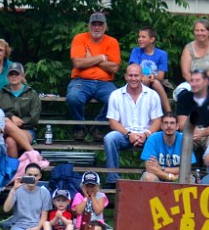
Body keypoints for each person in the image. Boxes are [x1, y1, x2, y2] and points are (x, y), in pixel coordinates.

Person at [104, 63, 163, 184]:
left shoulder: (152, 95)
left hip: (147, 135)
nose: (133, 78)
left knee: (158, 138)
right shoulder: (116, 95)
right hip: (124, 134)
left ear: (142, 76)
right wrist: (129, 134)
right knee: (109, 138)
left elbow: (157, 120)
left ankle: (158, 176)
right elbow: (113, 122)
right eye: (130, 75)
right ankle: (112, 180)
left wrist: (146, 134)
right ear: (125, 76)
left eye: (136, 75)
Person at [66, 11, 120, 139]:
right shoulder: (79, 38)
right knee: (73, 97)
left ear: (105, 26)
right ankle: (80, 127)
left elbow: (115, 67)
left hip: (105, 83)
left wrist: (91, 59)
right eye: (94, 24)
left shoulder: (112, 42)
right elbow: (78, 63)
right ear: (89, 26)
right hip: (81, 81)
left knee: (117, 99)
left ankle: (98, 126)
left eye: (100, 24)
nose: (97, 27)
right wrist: (102, 58)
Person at [2, 162, 50, 230]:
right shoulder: (18, 190)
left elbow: (44, 217)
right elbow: (6, 209)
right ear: (24, 175)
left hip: (37, 228)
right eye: (30, 175)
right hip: (19, 228)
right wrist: (13, 190)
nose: (33, 178)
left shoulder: (44, 193)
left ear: (40, 176)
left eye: (35, 175)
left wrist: (36, 229)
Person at [0, 63, 40, 158]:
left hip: (27, 130)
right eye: (11, 74)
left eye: (17, 73)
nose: (14, 76)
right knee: (7, 123)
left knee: (10, 141)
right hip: (5, 130)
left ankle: (13, 171)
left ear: (22, 76)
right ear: (7, 76)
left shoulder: (32, 94)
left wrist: (20, 123)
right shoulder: (0, 94)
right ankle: (33, 154)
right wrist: (11, 118)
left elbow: (34, 118)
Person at [175, 69, 209, 149]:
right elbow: (181, 124)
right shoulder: (183, 98)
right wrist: (192, 130)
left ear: (206, 82)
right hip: (190, 131)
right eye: (192, 81)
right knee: (181, 140)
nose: (194, 84)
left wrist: (202, 133)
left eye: (197, 80)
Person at [128, 26, 170, 114]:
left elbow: (161, 76)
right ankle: (137, 112)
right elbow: (133, 70)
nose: (140, 39)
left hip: (157, 81)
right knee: (144, 82)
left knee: (155, 82)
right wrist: (143, 76)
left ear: (152, 39)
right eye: (139, 37)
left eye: (143, 37)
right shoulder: (136, 51)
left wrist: (152, 76)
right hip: (139, 80)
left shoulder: (162, 54)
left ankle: (168, 112)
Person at [141, 113, 188, 182]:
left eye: (172, 123)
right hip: (157, 175)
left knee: (189, 179)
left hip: (178, 175)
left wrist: (161, 168)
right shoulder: (153, 139)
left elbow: (186, 169)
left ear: (177, 126)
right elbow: (149, 168)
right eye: (166, 123)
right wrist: (169, 176)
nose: (169, 126)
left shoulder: (184, 139)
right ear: (162, 126)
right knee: (149, 177)